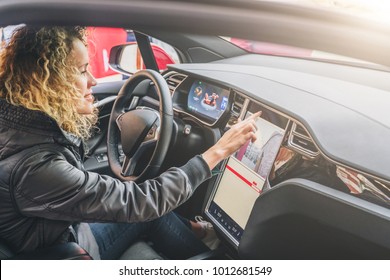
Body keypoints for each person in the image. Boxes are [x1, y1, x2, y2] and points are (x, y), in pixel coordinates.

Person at [0, 26, 260, 259]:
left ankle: (201, 232)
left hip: (56, 234)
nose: (92, 80)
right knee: (150, 209)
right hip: (65, 253)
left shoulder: (22, 127)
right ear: (48, 84)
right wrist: (218, 151)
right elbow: (144, 201)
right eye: (81, 71)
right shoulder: (36, 166)